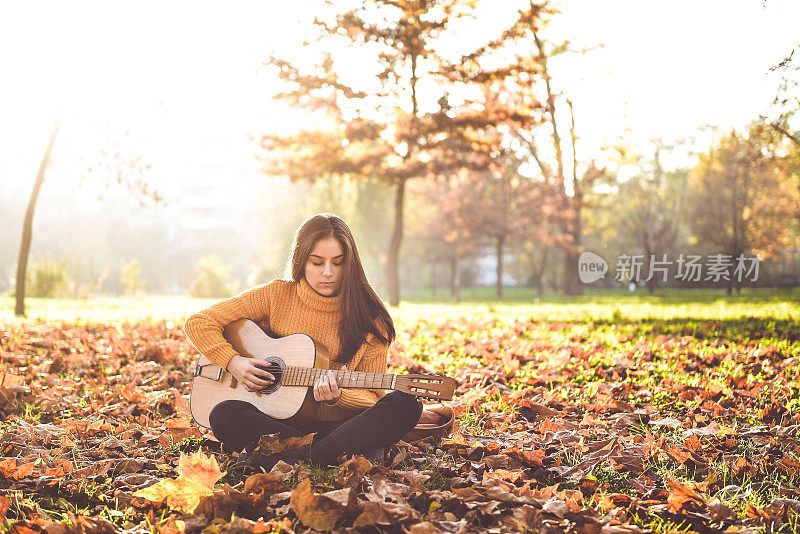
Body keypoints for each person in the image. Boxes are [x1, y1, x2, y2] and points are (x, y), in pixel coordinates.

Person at [183, 213, 422, 471]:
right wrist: (234, 362)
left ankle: (297, 460)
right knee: (223, 414)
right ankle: (323, 458)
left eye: (338, 263)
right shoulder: (276, 295)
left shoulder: (371, 319)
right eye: (317, 262)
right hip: (278, 422)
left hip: (342, 428)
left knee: (407, 404)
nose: (328, 273)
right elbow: (198, 322)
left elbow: (373, 398)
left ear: (350, 264)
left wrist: (339, 397)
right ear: (301, 260)